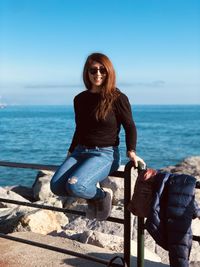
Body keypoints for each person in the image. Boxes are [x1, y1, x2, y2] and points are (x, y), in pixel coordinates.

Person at [50, 52, 144, 221]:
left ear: (109, 72)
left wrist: (132, 151)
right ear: (87, 73)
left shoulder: (118, 98)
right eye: (93, 70)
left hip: (105, 154)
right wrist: (71, 151)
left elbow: (129, 126)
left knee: (76, 185)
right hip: (80, 152)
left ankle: (101, 196)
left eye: (102, 70)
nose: (98, 74)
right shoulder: (79, 99)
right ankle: (93, 195)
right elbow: (80, 128)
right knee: (56, 186)